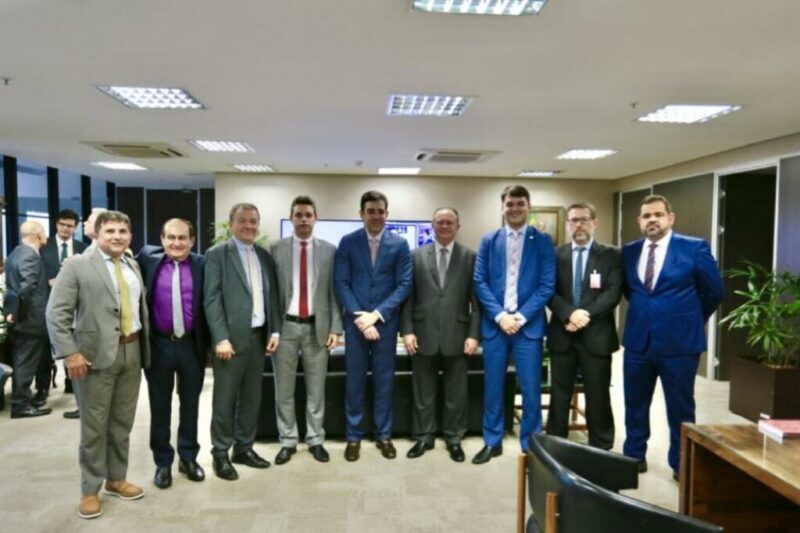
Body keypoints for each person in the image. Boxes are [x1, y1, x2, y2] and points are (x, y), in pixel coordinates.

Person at [47, 211, 150, 519]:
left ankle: (116, 479)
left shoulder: (132, 264)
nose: (117, 236)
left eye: (123, 231)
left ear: (130, 236)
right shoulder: (76, 265)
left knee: (121, 423)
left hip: (132, 351)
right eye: (111, 231)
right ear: (97, 234)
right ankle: (89, 489)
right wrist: (70, 353)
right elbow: (56, 314)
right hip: (92, 358)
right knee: (94, 427)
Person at [621, 194, 724, 480]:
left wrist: (689, 319)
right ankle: (633, 456)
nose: (652, 220)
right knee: (634, 403)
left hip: (680, 344)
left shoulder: (694, 248)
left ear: (670, 217)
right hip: (638, 342)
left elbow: (714, 291)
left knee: (680, 406)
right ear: (639, 221)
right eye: (646, 216)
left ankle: (681, 463)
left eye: (657, 214)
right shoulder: (629, 251)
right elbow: (632, 291)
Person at [472, 185, 555, 464]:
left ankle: (531, 446)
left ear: (528, 207)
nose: (515, 208)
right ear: (502, 207)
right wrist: (500, 316)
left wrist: (519, 317)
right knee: (493, 388)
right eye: (510, 204)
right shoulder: (489, 240)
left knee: (531, 390)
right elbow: (480, 281)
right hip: (496, 326)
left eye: (520, 204)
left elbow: (546, 286)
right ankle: (491, 441)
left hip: (527, 328)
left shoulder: (542, 241)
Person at [334, 190, 412, 461]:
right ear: (362, 214)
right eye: (370, 211)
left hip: (385, 325)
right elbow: (341, 283)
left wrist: (377, 315)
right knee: (354, 382)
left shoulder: (400, 244)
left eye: (380, 211)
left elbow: (404, 285)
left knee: (384, 382)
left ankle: (384, 435)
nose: (376, 216)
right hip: (356, 325)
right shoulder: (348, 242)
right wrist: (361, 318)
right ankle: (353, 436)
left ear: (386, 213)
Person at [204, 203, 281, 480]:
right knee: (224, 400)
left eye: (253, 221)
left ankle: (244, 448)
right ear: (231, 223)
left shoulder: (263, 255)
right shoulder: (217, 254)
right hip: (230, 341)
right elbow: (211, 299)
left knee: (251, 398)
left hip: (258, 338)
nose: (249, 226)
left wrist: (274, 331)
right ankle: (220, 453)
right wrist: (220, 338)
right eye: (243, 220)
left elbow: (271, 295)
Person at [400, 207, 480, 462]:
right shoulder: (415, 256)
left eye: (449, 222)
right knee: (423, 392)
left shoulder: (470, 257)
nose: (444, 226)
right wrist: (407, 331)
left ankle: (454, 438)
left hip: (458, 334)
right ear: (432, 225)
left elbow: (477, 302)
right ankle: (423, 437)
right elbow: (407, 298)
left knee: (456, 394)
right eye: (439, 222)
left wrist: (474, 334)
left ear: (458, 226)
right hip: (422, 333)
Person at [136, 219, 209, 488]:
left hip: (191, 345)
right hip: (160, 345)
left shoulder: (203, 265)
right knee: (160, 406)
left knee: (191, 405)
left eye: (182, 238)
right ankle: (163, 462)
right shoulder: (147, 260)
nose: (176, 243)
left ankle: (188, 458)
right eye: (171, 237)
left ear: (192, 240)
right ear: (162, 239)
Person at [269, 196, 342, 465]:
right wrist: (272, 330)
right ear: (291, 218)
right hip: (285, 327)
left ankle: (315, 439)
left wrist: (336, 327)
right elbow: (270, 294)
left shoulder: (330, 251)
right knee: (284, 389)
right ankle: (288, 440)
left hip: (317, 328)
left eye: (308, 215)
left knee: (316, 390)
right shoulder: (275, 249)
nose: (303, 220)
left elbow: (335, 293)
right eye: (298, 215)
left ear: (315, 218)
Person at [546, 202, 622, 450]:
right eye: (574, 220)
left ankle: (601, 447)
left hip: (596, 336)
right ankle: (556, 445)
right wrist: (569, 314)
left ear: (595, 222)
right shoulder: (555, 255)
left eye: (584, 219)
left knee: (598, 395)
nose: (579, 225)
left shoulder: (612, 255)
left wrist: (583, 315)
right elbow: (548, 291)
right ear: (568, 224)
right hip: (562, 334)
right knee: (559, 395)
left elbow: (613, 293)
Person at [37, 209, 87, 409]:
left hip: (75, 307)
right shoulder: (43, 246)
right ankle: (42, 389)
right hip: (46, 304)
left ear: (76, 227)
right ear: (56, 224)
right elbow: (36, 273)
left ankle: (70, 383)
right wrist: (48, 282)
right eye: (62, 225)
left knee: (73, 344)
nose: (66, 229)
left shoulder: (83, 248)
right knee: (44, 350)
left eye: (70, 225)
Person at [4, 220, 51, 418]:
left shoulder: (15, 253)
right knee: (26, 362)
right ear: (37, 234)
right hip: (30, 320)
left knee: (22, 360)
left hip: (20, 319)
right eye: (44, 232)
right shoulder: (30, 255)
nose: (46, 236)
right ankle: (20, 405)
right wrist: (16, 313)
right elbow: (26, 287)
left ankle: (21, 401)